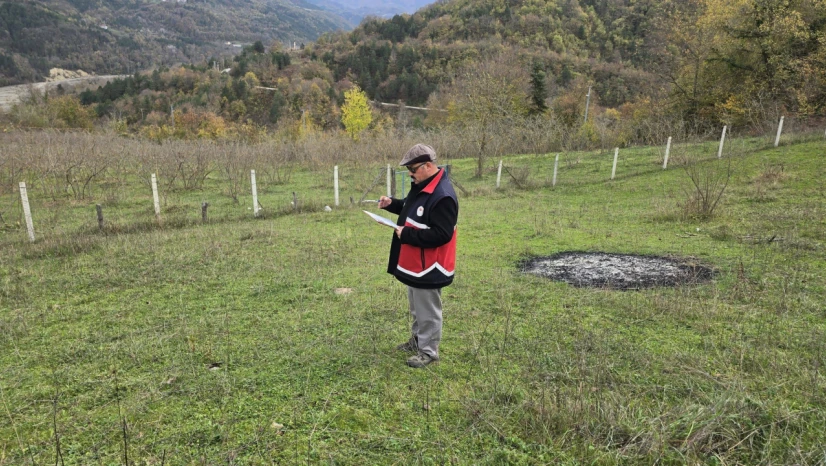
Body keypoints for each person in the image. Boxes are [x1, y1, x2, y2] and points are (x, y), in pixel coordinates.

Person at [378, 144, 458, 368]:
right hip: (415, 263)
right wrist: (392, 204)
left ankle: (429, 352)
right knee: (416, 305)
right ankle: (417, 341)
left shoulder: (443, 196)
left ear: (429, 166)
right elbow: (412, 208)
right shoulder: (422, 185)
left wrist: (407, 234)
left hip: (431, 266)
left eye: (413, 169)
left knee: (428, 310)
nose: (410, 174)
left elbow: (442, 235)